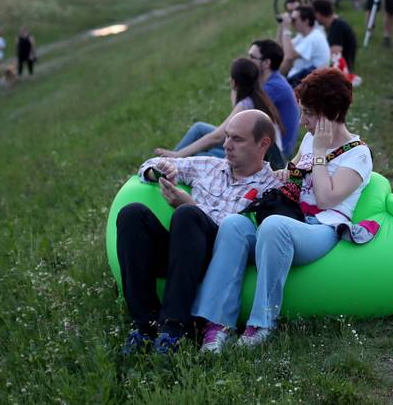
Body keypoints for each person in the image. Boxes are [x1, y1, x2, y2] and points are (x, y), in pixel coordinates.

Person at [191, 68, 375, 352]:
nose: (302, 122)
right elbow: (291, 175)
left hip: (321, 229)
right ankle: (217, 325)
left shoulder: (359, 153)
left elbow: (326, 199)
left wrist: (322, 154)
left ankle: (262, 324)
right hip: (291, 219)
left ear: (330, 114)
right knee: (233, 225)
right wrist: (281, 174)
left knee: (275, 226)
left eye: (309, 115)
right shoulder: (310, 141)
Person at [117, 110, 282, 354]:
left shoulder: (273, 187)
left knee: (188, 214)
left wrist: (190, 206)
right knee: (131, 214)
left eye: (237, 139)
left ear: (263, 144)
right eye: (226, 137)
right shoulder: (210, 166)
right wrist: (160, 172)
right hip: (182, 251)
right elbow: (148, 165)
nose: (226, 145)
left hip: (220, 260)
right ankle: (145, 325)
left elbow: (257, 237)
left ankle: (175, 328)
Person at [154, 56, 285, 165]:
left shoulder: (246, 104)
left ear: (234, 82)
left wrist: (177, 154)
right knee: (199, 128)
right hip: (266, 152)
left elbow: (217, 136)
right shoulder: (258, 96)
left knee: (201, 154)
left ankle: (168, 163)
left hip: (258, 159)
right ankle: (168, 163)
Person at [249, 39, 300, 155]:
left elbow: (241, 121)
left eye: (252, 57)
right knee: (200, 129)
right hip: (266, 147)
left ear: (266, 63)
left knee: (207, 150)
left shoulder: (274, 88)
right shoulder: (273, 82)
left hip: (277, 154)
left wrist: (238, 86)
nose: (248, 61)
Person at [278, 4, 331, 86]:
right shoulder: (303, 35)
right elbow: (281, 47)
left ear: (306, 21)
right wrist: (282, 26)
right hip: (302, 78)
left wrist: (286, 30)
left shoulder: (314, 38)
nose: (292, 23)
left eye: (294, 20)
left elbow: (289, 57)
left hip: (311, 83)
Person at [312, 0, 357, 72]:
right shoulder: (336, 23)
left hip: (341, 70)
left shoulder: (336, 28)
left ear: (318, 14)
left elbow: (335, 55)